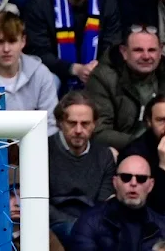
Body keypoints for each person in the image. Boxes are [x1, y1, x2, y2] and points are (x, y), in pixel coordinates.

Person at [23, 0, 122, 91]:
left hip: (97, 75)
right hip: (53, 77)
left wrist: (96, 66)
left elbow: (112, 46)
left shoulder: (107, 2)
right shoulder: (40, 2)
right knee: (48, 79)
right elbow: (37, 52)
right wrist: (73, 69)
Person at [0, 13, 59, 132]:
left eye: (12, 41)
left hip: (35, 146)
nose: (6, 49)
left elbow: (50, 124)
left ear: (23, 41)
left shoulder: (41, 74)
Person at [87, 25, 165, 149]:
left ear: (160, 51)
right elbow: (99, 132)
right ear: (124, 52)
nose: (146, 56)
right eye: (138, 50)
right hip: (123, 151)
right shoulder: (103, 78)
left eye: (152, 50)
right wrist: (143, 146)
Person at [49, 93, 117, 237]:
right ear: (60, 123)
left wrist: (86, 227)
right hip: (53, 224)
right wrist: (78, 227)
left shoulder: (104, 156)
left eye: (85, 124)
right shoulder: (42, 150)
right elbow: (40, 204)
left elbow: (103, 203)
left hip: (93, 224)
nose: (79, 130)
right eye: (72, 123)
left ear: (94, 124)